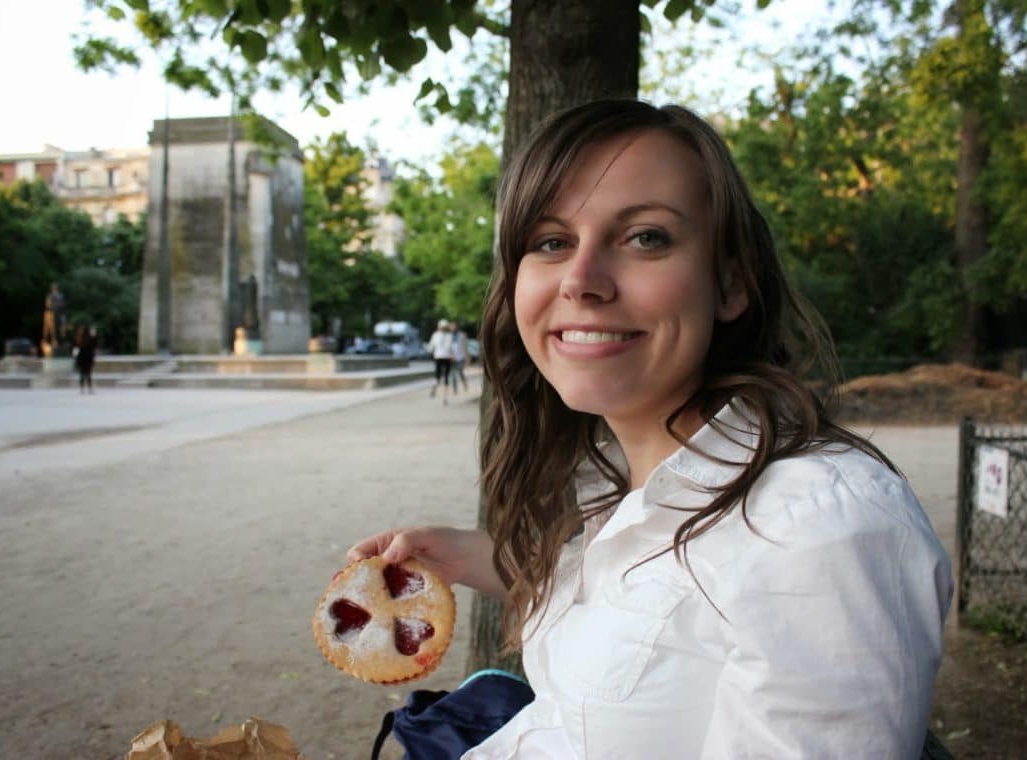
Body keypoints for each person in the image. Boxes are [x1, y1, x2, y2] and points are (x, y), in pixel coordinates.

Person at [348, 99, 952, 758]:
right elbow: (645, 618)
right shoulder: (631, 479)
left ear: (730, 283)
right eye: (551, 242)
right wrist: (470, 555)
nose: (580, 281)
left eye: (646, 238)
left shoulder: (817, 529)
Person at [427, 319, 455, 405]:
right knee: (446, 377)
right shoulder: (450, 336)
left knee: (437, 375)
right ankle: (445, 398)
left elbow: (430, 347)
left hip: (438, 357)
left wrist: (433, 351)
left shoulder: (435, 335)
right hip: (447, 357)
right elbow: (451, 348)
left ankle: (435, 387)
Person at [74, 325, 97, 394]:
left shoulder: (78, 339)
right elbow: (94, 347)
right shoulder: (89, 338)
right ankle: (89, 388)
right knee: (88, 373)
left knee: (83, 373)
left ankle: (82, 388)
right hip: (88, 358)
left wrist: (75, 356)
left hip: (81, 358)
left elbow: (75, 349)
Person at [449, 321, 470, 394]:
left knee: (461, 372)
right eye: (450, 326)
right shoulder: (448, 336)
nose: (452, 328)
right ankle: (455, 390)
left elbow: (465, 347)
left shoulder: (461, 335)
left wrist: (467, 358)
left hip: (460, 357)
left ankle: (464, 384)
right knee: (453, 374)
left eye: (453, 326)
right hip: (452, 357)